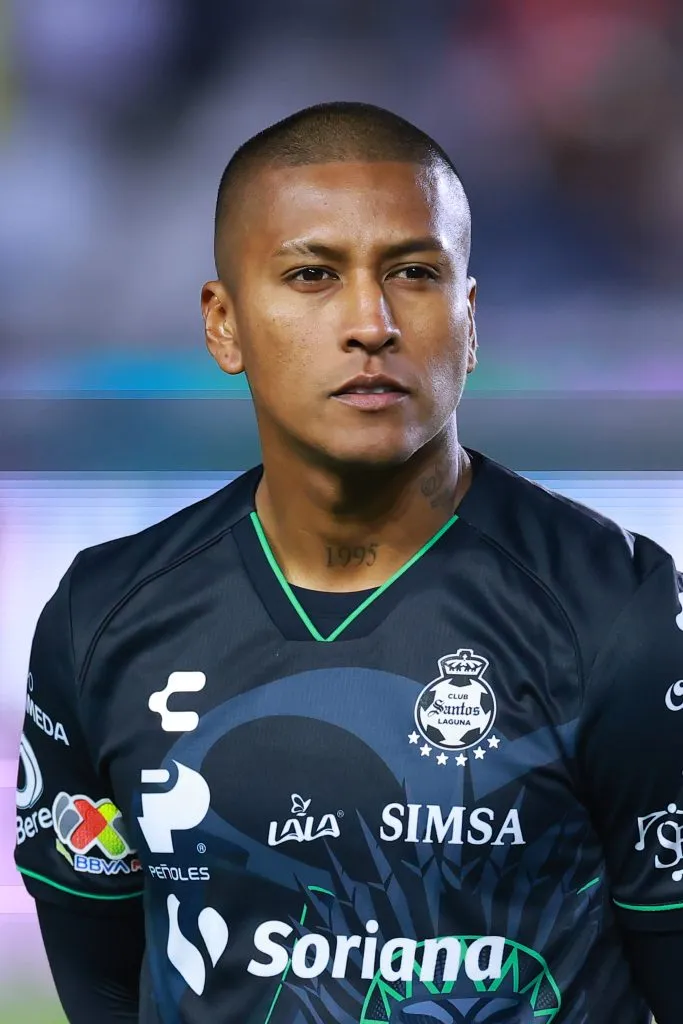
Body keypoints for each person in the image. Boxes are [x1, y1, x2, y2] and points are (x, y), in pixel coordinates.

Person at [13, 101, 683, 1024]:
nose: (370, 321)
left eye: (412, 271)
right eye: (311, 275)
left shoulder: (622, 612)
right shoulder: (104, 617)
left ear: (469, 317)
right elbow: (98, 982)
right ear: (223, 323)